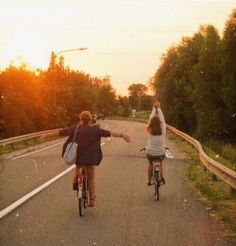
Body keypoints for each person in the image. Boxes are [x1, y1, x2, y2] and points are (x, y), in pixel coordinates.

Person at [40, 111, 131, 207]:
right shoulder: (96, 130)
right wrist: (123, 135)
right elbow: (110, 133)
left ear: (81, 119)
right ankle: (92, 200)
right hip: (90, 159)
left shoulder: (76, 128)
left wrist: (46, 135)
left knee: (78, 166)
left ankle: (76, 179)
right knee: (91, 178)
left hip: (78, 157)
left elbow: (61, 132)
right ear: (90, 120)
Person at [146, 101, 166, 185]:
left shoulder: (149, 129)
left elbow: (150, 119)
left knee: (150, 163)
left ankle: (149, 181)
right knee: (161, 162)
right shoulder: (163, 128)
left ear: (151, 123)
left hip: (151, 152)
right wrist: (159, 108)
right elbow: (162, 118)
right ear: (160, 123)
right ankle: (161, 177)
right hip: (161, 152)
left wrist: (154, 109)